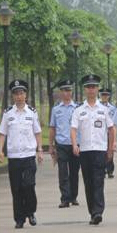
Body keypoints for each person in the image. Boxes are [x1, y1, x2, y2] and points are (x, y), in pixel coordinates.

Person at [0, 80, 43, 229]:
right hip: (14, 156)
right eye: (16, 93)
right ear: (13, 96)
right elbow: (3, 133)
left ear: (26, 95)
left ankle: (30, 212)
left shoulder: (32, 112)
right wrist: (0, 151)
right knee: (16, 188)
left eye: (22, 93)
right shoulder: (8, 113)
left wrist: (40, 150)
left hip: (29, 155)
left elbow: (37, 132)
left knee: (28, 185)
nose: (19, 96)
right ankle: (19, 218)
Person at [71, 74, 115, 225]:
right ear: (85, 90)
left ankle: (98, 211)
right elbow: (73, 129)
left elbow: (111, 129)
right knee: (88, 182)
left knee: (98, 180)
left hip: (99, 149)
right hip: (85, 150)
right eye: (89, 87)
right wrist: (74, 145)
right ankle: (92, 211)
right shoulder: (79, 110)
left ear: (97, 89)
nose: (91, 90)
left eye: (94, 87)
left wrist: (110, 148)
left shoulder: (103, 109)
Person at [49, 79, 80, 208]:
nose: (67, 93)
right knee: (63, 172)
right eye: (64, 90)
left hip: (75, 144)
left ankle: (73, 196)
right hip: (61, 144)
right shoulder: (56, 109)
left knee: (74, 171)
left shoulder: (78, 108)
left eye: (69, 90)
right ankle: (65, 198)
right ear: (60, 92)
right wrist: (51, 145)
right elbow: (52, 128)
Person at [99, 88, 116, 178]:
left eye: (106, 95)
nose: (104, 97)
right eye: (103, 95)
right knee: (101, 151)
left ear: (108, 96)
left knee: (110, 151)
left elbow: (114, 122)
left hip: (109, 132)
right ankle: (102, 170)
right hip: (100, 132)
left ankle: (110, 170)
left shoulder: (112, 108)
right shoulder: (97, 107)